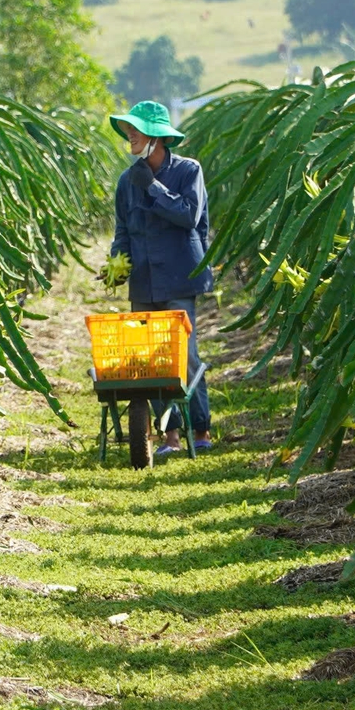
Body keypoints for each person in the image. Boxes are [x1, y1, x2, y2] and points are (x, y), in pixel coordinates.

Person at [107, 100, 212, 457]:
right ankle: (170, 437)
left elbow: (186, 215)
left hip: (181, 277)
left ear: (157, 137)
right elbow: (123, 230)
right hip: (145, 281)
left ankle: (202, 429)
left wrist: (152, 186)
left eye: (136, 129)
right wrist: (116, 265)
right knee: (150, 363)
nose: (130, 135)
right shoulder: (126, 181)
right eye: (129, 129)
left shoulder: (188, 171)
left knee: (185, 357)